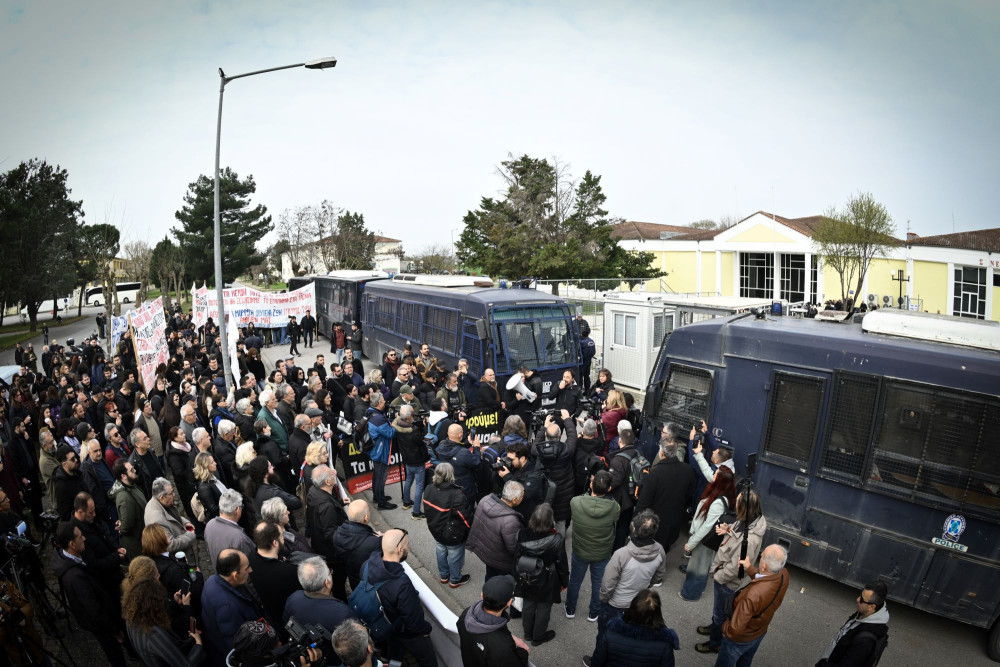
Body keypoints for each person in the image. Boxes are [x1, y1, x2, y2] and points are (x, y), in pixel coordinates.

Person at [697, 490, 767, 656]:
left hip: (726, 582)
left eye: (737, 501)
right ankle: (714, 626)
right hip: (724, 575)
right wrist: (729, 530)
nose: (734, 503)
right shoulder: (749, 520)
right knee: (719, 610)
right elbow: (738, 537)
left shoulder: (749, 540)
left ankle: (715, 643)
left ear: (743, 508)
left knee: (720, 613)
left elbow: (737, 568)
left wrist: (718, 574)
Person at [590, 509, 667, 658]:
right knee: (627, 637)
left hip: (615, 605)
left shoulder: (622, 554)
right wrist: (646, 586)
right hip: (638, 605)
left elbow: (607, 584)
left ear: (634, 528)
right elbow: (659, 576)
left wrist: (604, 599)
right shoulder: (660, 551)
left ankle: (599, 659)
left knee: (605, 635)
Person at [51, 522, 127, 667]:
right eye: (80, 537)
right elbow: (94, 610)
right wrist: (114, 630)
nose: (84, 538)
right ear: (72, 544)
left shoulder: (70, 556)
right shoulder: (75, 577)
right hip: (100, 625)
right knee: (115, 655)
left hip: (96, 617)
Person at [361, 529, 437, 666]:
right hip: (406, 632)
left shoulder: (367, 565)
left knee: (394, 655)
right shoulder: (402, 584)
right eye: (407, 544)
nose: (408, 547)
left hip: (387, 626)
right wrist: (425, 631)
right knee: (428, 659)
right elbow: (413, 620)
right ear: (400, 549)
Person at [716, 544, 790, 666]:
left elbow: (734, 630)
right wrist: (749, 568)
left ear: (764, 566)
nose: (760, 558)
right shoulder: (783, 574)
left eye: (761, 557)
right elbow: (766, 580)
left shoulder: (752, 595)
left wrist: (724, 626)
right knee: (745, 661)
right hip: (759, 632)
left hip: (740, 640)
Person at [679, 466, 736, 601]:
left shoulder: (717, 502)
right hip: (710, 540)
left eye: (715, 474)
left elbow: (706, 526)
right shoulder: (727, 495)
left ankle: (690, 594)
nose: (713, 475)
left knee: (698, 568)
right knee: (702, 566)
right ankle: (696, 589)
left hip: (705, 541)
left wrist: (691, 543)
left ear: (719, 481)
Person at [515, 503, 568, 646]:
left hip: (527, 574)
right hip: (548, 578)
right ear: (550, 520)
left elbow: (516, 556)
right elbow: (561, 564)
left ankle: (527, 633)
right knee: (544, 607)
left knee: (528, 603)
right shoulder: (557, 539)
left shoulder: (521, 534)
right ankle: (538, 637)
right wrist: (564, 582)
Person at [201, 549, 266, 666]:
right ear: (235, 575)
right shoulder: (228, 608)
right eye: (247, 568)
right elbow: (237, 645)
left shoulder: (211, 580)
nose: (250, 570)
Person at [123, 577, 205, 667]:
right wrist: (198, 644)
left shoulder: (131, 619)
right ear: (154, 606)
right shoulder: (155, 635)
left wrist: (176, 603)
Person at [588, 589, 680, 667]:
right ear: (657, 613)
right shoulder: (664, 643)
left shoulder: (611, 632)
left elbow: (597, 662)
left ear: (632, 608)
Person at [636, 435, 695, 554]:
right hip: (674, 522)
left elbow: (643, 502)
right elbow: (690, 494)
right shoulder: (688, 470)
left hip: (654, 525)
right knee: (663, 551)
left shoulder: (655, 473)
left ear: (662, 453)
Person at [283, 557, 356, 650]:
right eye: (329, 572)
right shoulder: (343, 613)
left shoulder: (293, 598)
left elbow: (287, 624)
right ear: (327, 583)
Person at [458, 574, 531, 667]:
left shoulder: (466, 614)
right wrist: (524, 652)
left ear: (482, 595)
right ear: (509, 603)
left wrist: (510, 637)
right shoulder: (502, 645)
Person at [421, 462, 474, 588]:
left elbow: (426, 509)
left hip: (435, 529)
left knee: (440, 550)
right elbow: (465, 518)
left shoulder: (428, 488)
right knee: (455, 555)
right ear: (451, 475)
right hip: (452, 534)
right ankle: (455, 579)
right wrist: (470, 530)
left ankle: (444, 576)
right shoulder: (457, 494)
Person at [816, 581, 890, 667]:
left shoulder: (865, 642)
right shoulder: (865, 612)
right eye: (860, 595)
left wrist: (822, 664)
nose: (857, 599)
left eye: (862, 599)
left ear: (872, 607)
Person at [467, 480, 525, 581]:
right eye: (522, 496)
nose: (523, 498)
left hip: (486, 553)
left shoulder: (485, 500)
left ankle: (487, 593)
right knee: (502, 584)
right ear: (514, 499)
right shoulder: (510, 520)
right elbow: (514, 548)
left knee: (490, 577)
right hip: (501, 562)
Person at [249, 521, 303, 625]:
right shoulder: (288, 572)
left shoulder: (251, 557)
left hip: (271, 613)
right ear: (275, 543)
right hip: (288, 618)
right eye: (281, 536)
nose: (283, 538)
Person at [308, 464, 349, 600]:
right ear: (327, 482)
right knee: (338, 583)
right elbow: (331, 534)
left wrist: (339, 502)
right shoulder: (327, 506)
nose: (334, 473)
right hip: (333, 556)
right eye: (331, 474)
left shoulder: (314, 491)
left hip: (320, 546)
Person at [532, 410, 576, 533]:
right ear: (560, 435)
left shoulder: (538, 451)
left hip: (545, 490)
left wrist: (545, 426)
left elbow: (536, 443)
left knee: (545, 516)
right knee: (561, 520)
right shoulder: (566, 450)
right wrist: (567, 419)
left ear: (546, 436)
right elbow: (572, 436)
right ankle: (559, 543)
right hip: (564, 491)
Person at [333, 499, 385, 589]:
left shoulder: (338, 533)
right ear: (366, 517)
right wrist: (384, 537)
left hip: (353, 578)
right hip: (370, 583)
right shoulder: (374, 542)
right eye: (369, 510)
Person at [144, 477, 196, 556]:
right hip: (178, 558)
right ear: (161, 497)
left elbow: (171, 517)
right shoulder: (157, 520)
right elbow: (170, 545)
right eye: (171, 493)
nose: (174, 495)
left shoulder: (157, 501)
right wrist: (190, 535)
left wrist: (184, 522)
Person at [393, 404, 428, 519]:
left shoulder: (397, 425)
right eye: (413, 414)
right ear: (408, 418)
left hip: (407, 459)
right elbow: (422, 441)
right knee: (419, 486)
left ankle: (406, 502)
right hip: (417, 461)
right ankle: (416, 512)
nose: (414, 416)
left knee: (408, 480)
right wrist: (424, 427)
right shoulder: (413, 432)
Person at [608, 428, 641, 550]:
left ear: (620, 440)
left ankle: (614, 550)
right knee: (624, 525)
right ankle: (619, 548)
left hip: (619, 499)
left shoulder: (618, 459)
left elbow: (614, 481)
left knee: (615, 526)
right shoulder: (638, 454)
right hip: (632, 496)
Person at [498, 441, 547, 522]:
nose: (508, 462)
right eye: (507, 458)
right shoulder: (515, 466)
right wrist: (500, 469)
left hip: (527, 515)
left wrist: (507, 476)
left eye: (511, 459)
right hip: (514, 509)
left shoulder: (534, 474)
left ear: (522, 458)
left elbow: (523, 495)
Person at [204, 488, 255, 566]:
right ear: (237, 510)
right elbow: (252, 563)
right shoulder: (240, 538)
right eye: (242, 506)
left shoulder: (210, 524)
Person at [111, 458, 148, 559]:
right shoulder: (124, 497)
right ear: (123, 476)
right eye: (131, 470)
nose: (135, 470)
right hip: (137, 545)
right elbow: (127, 525)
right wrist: (122, 528)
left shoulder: (132, 485)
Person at [434, 424, 482, 500]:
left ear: (448, 433)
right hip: (464, 490)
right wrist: (476, 448)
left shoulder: (441, 445)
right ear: (460, 435)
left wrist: (468, 443)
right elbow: (477, 462)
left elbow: (455, 448)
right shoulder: (464, 453)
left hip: (448, 486)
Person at [366, 392, 397, 510]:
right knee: (380, 477)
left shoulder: (370, 412)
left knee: (376, 475)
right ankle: (381, 502)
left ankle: (377, 496)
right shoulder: (379, 419)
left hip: (375, 449)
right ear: (379, 403)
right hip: (380, 451)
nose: (385, 402)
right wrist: (394, 423)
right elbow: (391, 433)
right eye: (384, 401)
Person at [53, 445, 83, 520]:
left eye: (75, 457)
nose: (76, 460)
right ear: (64, 463)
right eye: (72, 459)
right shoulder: (61, 486)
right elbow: (65, 515)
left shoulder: (77, 473)